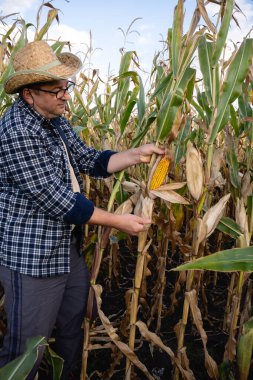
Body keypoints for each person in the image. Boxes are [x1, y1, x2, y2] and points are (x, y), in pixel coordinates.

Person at [0, 40, 164, 379]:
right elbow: (56, 199)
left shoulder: (54, 119)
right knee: (26, 349)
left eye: (66, 86)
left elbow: (89, 159)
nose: (65, 95)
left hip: (64, 249)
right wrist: (119, 221)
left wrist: (136, 153)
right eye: (56, 89)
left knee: (72, 328)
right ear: (29, 93)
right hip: (32, 257)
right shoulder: (16, 130)